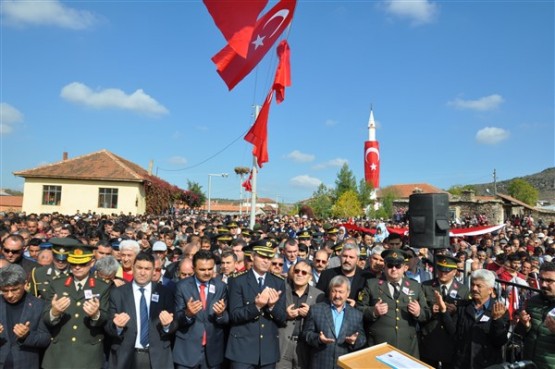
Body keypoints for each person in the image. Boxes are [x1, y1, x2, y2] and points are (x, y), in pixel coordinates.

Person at [42, 244, 111, 369]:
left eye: (82, 263)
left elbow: (106, 318)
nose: (77, 267)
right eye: (73, 264)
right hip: (59, 354)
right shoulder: (57, 284)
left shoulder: (102, 287)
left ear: (92, 262)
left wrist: (96, 315)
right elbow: (46, 318)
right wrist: (54, 312)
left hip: (88, 355)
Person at [105, 252, 177, 369]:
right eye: (139, 268)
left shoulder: (165, 293)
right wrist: (117, 326)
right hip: (125, 357)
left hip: (157, 358)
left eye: (147, 269)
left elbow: (174, 324)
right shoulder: (117, 293)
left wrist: (167, 325)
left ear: (154, 271)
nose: (142, 272)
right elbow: (107, 326)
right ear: (132, 268)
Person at [357, 249, 431, 358]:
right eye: (390, 265)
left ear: (404, 267)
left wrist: (419, 312)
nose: (394, 269)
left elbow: (427, 313)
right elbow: (358, 309)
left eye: (398, 266)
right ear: (385, 266)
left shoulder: (415, 286)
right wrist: (373, 312)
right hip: (379, 346)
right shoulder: (372, 284)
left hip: (407, 347)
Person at [225, 241, 286, 369]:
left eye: (269, 258)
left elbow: (282, 318)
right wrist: (257, 306)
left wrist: (271, 307)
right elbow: (234, 315)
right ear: (252, 257)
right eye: (262, 257)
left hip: (267, 352)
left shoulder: (278, 282)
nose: (266, 261)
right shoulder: (237, 280)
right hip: (242, 351)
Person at [435, 269, 510, 369]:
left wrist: (497, 320)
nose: (474, 288)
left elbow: (500, 341)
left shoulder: (499, 310)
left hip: (487, 364)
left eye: (479, 286)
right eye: (473, 284)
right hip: (461, 364)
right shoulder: (463, 307)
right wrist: (444, 311)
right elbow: (452, 332)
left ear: (490, 290)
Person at [174, 250, 229, 369]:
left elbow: (226, 319)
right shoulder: (181, 286)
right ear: (194, 268)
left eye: (210, 269)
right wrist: (188, 314)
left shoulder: (221, 287)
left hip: (212, 352)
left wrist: (220, 314)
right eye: (202, 269)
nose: (207, 273)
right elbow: (176, 318)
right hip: (187, 352)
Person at [301, 275, 366, 369]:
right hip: (320, 364)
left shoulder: (357, 314)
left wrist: (354, 341)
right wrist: (318, 339)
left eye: (341, 292)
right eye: (334, 291)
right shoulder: (316, 310)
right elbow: (306, 334)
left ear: (348, 293)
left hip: (344, 365)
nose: (337, 296)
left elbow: (363, 338)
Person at [420, 255, 470, 369]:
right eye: (440, 270)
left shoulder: (463, 289)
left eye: (447, 271)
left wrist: (456, 310)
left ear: (454, 272)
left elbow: (465, 315)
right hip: (430, 336)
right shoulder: (426, 286)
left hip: (450, 339)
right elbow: (421, 310)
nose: (443, 273)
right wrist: (431, 309)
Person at [0, 264, 51, 368]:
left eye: (15, 290)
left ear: (25, 284)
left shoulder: (39, 306)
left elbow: (45, 338)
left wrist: (26, 336)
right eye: (5, 290)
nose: (9, 295)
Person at [278, 260, 324, 369]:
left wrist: (310, 314)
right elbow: (272, 314)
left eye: (304, 272)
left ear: (310, 277)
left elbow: (323, 322)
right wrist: (285, 315)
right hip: (283, 344)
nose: (299, 274)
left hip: (304, 346)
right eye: (297, 271)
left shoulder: (319, 295)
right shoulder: (282, 290)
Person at [514, 261, 555, 369]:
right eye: (541, 279)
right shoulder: (533, 301)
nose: (543, 284)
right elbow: (520, 333)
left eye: (549, 281)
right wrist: (524, 325)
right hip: (529, 364)